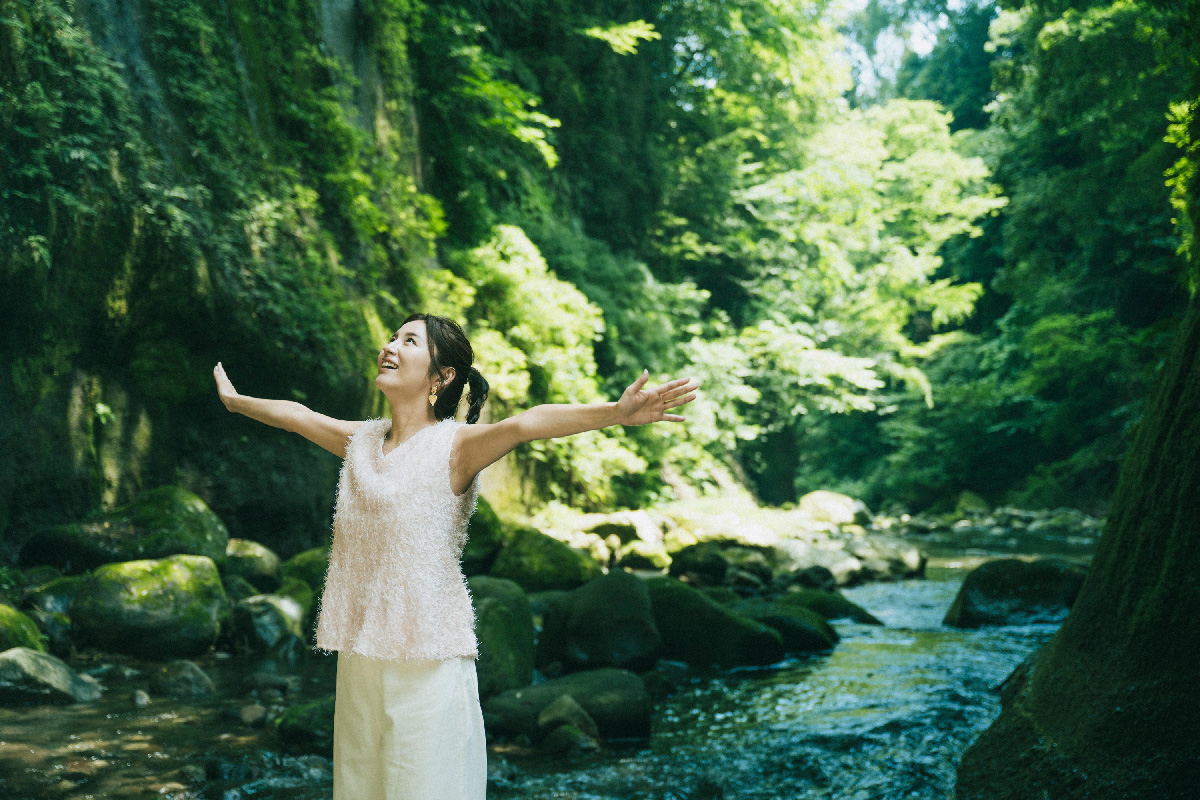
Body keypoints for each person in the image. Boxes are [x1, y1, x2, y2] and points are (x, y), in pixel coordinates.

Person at [212, 312, 700, 800]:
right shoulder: (361, 442)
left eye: (409, 341)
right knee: (360, 788)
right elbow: (298, 416)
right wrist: (236, 403)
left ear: (441, 377)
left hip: (427, 656)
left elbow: (528, 422)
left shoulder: (455, 446)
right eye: (393, 336)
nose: (391, 345)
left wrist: (614, 412)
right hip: (361, 650)